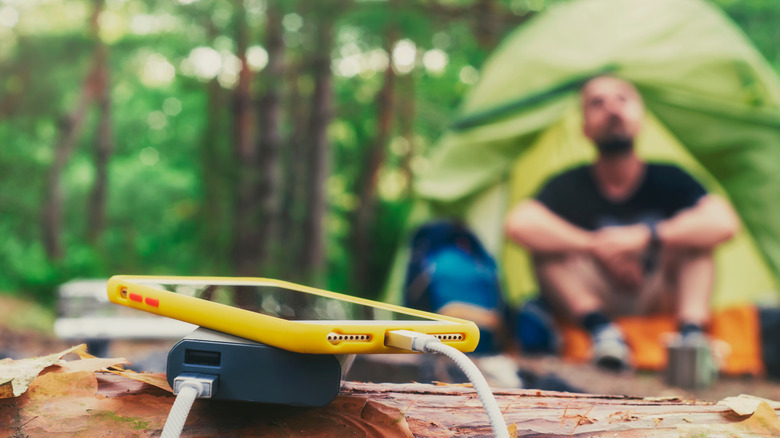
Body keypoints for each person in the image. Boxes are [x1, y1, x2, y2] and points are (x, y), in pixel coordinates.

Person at [504, 75, 739, 369]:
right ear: (585, 128)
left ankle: (690, 339)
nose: (612, 109)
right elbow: (518, 223)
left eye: (622, 99)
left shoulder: (671, 178)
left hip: (657, 291)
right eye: (597, 103)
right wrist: (596, 246)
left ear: (641, 119)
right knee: (545, 249)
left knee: (698, 241)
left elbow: (725, 223)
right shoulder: (568, 184)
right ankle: (603, 333)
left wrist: (646, 237)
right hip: (595, 293)